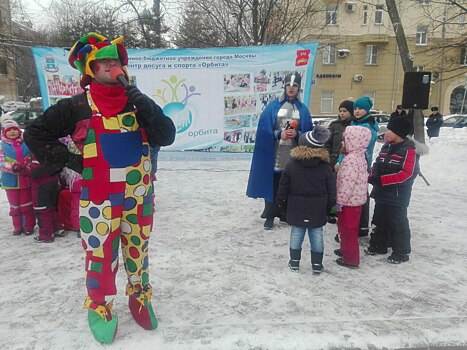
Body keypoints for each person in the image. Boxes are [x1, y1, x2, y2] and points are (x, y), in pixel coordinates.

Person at [24, 32, 176, 344]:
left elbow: (166, 136)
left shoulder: (138, 103)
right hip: (99, 200)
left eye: (115, 60)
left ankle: (139, 296)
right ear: (90, 70)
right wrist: (73, 161)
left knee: (139, 251)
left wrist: (146, 105)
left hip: (139, 197)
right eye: (103, 62)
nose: (111, 66)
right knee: (100, 254)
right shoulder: (77, 106)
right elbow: (35, 133)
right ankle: (100, 305)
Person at [246, 71, 313, 230]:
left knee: (289, 185)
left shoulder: (303, 109)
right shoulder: (273, 107)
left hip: (293, 156)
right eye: (288, 85)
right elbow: (263, 128)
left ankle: (285, 213)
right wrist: (278, 133)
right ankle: (270, 214)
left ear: (298, 88)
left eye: (294, 86)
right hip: (274, 154)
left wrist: (298, 134)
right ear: (284, 87)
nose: (291, 88)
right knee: (273, 184)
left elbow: (309, 132)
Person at [276, 126, 335, 275]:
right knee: (316, 234)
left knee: (297, 233)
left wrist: (282, 205)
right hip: (318, 208)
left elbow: (283, 187)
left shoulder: (291, 165)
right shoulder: (325, 167)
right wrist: (330, 208)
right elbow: (331, 190)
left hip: (296, 207)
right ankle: (317, 265)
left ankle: (294, 263)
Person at [365, 115, 419, 264]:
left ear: (399, 133)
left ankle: (401, 252)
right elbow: (376, 164)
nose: (386, 133)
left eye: (390, 130)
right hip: (381, 194)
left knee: (397, 223)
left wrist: (382, 180)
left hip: (397, 197)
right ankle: (378, 245)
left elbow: (406, 175)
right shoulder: (386, 147)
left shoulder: (410, 151)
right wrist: (372, 175)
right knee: (379, 220)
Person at [336, 96, 378, 238]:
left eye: (360, 108)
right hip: (350, 162)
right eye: (355, 108)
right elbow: (345, 146)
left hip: (358, 164)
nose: (357, 111)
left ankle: (358, 226)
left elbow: (354, 147)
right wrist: (340, 160)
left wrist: (343, 161)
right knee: (354, 193)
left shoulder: (368, 126)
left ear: (367, 110)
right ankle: (352, 225)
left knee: (357, 194)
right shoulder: (355, 122)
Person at [334, 126, 372, 269]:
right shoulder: (360, 156)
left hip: (348, 202)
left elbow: (346, 184)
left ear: (354, 142)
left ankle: (351, 259)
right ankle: (345, 250)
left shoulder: (351, 160)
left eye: (345, 141)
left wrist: (339, 202)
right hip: (354, 201)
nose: (342, 144)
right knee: (344, 227)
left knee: (348, 229)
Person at [0, 120, 35, 236]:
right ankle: (17, 226)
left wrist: (29, 167)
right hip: (10, 181)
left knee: (26, 205)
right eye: (9, 130)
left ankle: (28, 226)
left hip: (25, 179)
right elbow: (1, 162)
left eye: (14, 129)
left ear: (19, 130)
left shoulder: (26, 143)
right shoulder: (1, 145)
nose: (12, 132)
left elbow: (31, 157)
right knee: (14, 206)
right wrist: (11, 167)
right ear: (4, 133)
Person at [26, 155, 63, 243]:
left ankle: (46, 234)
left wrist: (24, 168)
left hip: (41, 185)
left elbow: (35, 171)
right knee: (51, 207)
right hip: (53, 181)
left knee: (41, 210)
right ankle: (58, 228)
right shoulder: (51, 149)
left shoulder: (37, 151)